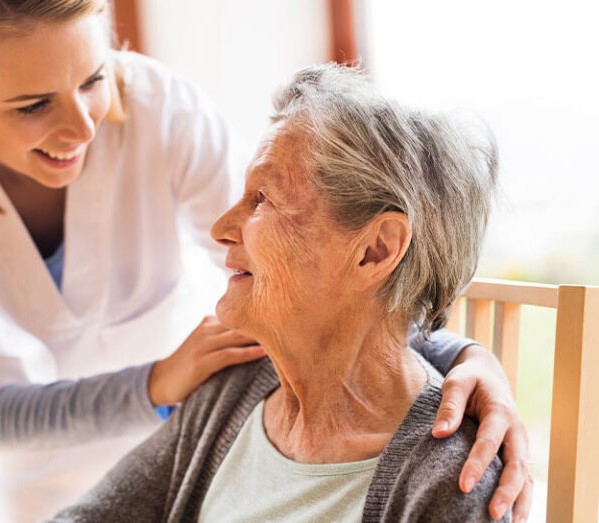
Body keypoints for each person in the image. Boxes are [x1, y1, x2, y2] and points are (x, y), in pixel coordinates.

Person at [0, 1, 530, 521]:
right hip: (67, 463)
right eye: (33, 105)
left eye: (95, 79)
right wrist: (160, 385)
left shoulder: (159, 109)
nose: (85, 126)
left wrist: (460, 353)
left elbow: (328, 273)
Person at [49, 64, 512, 522]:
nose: (221, 229)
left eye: (262, 200)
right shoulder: (233, 388)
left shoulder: (455, 484)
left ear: (374, 250)